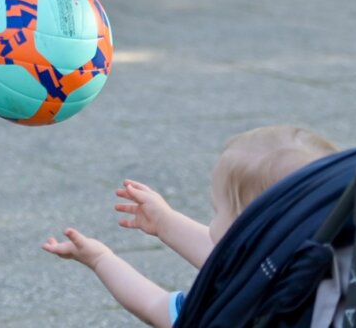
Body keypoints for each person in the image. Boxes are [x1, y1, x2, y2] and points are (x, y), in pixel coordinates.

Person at [42, 125, 338, 328]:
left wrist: (101, 259)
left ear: (248, 229)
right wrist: (165, 222)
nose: (212, 221)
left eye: (217, 210)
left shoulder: (241, 309)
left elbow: (154, 304)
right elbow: (230, 260)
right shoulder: (336, 274)